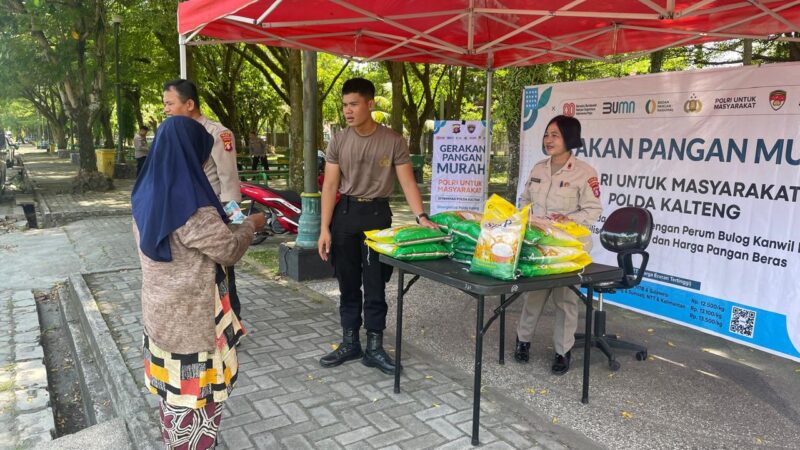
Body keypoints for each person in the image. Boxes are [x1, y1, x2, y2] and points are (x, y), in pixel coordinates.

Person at [131, 115, 266, 448]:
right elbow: (228, 250)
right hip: (193, 320)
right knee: (197, 401)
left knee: (172, 396)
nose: (206, 159)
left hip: (160, 313)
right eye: (203, 152)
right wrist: (251, 225)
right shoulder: (192, 206)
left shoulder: (146, 191)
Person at [317, 78, 437, 376]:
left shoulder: (393, 140)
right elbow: (330, 185)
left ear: (370, 105)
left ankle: (374, 346)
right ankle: (349, 342)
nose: (348, 110)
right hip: (345, 215)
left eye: (354, 104)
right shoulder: (339, 140)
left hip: (377, 216)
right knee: (347, 282)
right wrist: (324, 228)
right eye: (344, 105)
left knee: (375, 284)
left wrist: (421, 216)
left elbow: (407, 181)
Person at [514, 115, 602, 375]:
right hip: (539, 244)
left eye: (555, 135)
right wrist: (527, 218)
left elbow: (593, 210)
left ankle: (563, 352)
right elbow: (524, 200)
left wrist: (568, 219)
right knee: (534, 296)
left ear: (570, 139)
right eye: (546, 134)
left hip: (568, 248)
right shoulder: (538, 168)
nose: (548, 140)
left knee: (566, 301)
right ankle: (523, 342)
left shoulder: (585, 173)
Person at [162, 79, 245, 323]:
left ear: (189, 104)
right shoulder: (171, 132)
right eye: (164, 104)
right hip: (182, 212)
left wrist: (234, 220)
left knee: (222, 269)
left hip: (211, 211)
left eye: (170, 103)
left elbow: (228, 179)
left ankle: (232, 319)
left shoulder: (218, 133)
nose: (166, 109)